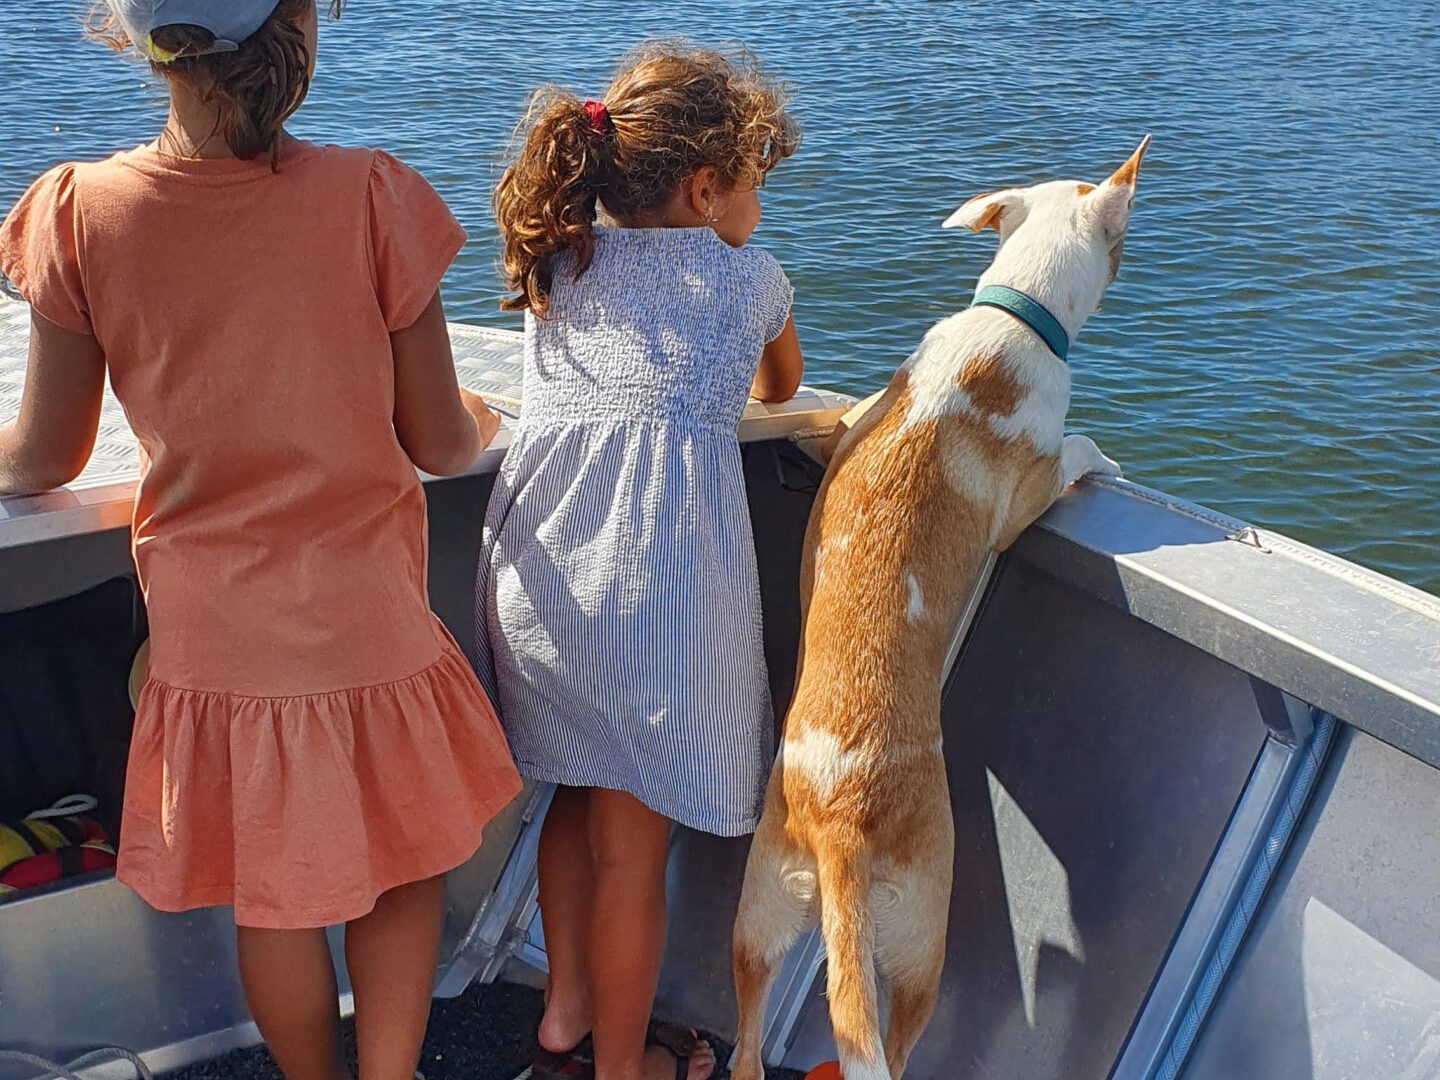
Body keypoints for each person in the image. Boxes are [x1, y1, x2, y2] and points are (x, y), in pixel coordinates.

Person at [0, 3, 522, 1078]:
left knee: (273, 891)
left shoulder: (82, 211)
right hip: (366, 615)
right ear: (297, 38)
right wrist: (483, 415)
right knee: (405, 858)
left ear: (139, 42)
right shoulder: (372, 196)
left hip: (215, 638)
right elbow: (436, 437)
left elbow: (45, 458)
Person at [479, 42, 803, 1080]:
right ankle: (622, 1068)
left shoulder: (557, 262)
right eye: (756, 182)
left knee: (574, 794)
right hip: (651, 600)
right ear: (707, 186)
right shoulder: (748, 277)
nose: (761, 204)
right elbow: (781, 390)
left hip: (539, 585)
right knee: (634, 857)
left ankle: (567, 1014)